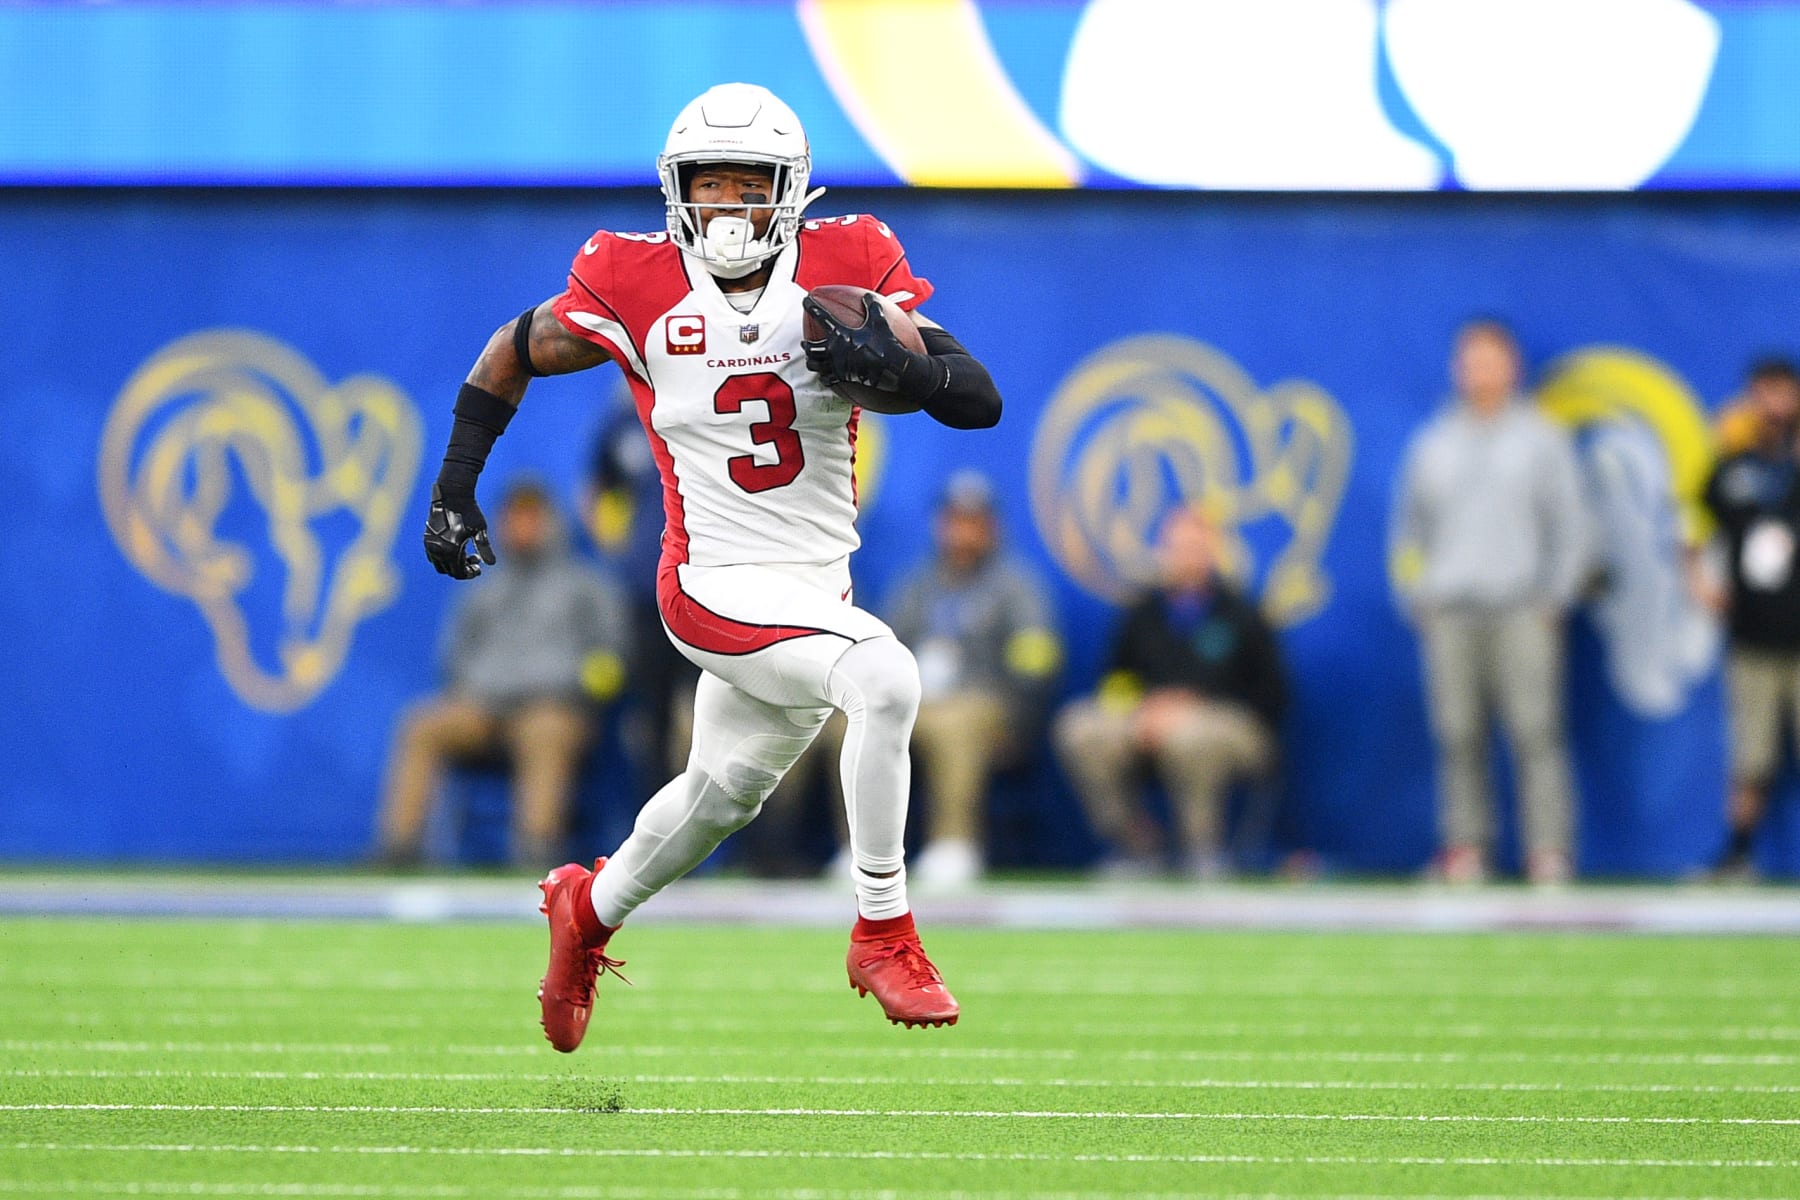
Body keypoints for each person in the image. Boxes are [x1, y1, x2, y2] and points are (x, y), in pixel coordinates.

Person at [419, 83, 1002, 1049]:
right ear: (675, 189)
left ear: (792, 191)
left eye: (749, 184)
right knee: (886, 675)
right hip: (710, 582)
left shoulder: (847, 263)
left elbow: (976, 399)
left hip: (815, 590)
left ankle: (586, 912)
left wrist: (915, 372)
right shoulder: (633, 280)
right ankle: (885, 928)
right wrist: (454, 483)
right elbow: (514, 347)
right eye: (709, 183)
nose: (727, 206)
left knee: (720, 796)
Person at [1390, 318, 1589, 886]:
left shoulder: (1542, 438)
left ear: (1513, 367)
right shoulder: (1434, 441)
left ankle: (1548, 850)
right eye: (1470, 360)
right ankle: (1466, 847)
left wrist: (1556, 595)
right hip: (1451, 611)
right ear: (1458, 369)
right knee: (1457, 734)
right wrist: (1415, 594)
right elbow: (1408, 530)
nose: (1479, 371)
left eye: (1491, 359)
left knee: (1536, 732)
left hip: (1523, 606)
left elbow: (1570, 523)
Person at [373, 478, 630, 869]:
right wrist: (471, 689)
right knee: (422, 725)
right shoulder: (484, 591)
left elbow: (612, 655)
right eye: (514, 518)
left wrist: (581, 690)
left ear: (551, 522)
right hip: (484, 710)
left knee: (545, 731)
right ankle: (399, 849)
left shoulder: (585, 586)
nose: (522, 528)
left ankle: (535, 851)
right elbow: (453, 657)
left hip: (552, 707)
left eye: (531, 518)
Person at [1053, 506, 1284, 879]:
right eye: (1177, 547)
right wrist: (1140, 711)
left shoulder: (1242, 613)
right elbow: (1115, 681)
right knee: (1080, 727)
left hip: (1228, 725)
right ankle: (1135, 844)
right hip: (1147, 719)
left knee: (1189, 737)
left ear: (1213, 551)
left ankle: (1202, 850)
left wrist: (1195, 705)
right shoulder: (1142, 612)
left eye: (1196, 546)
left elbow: (1271, 696)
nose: (1187, 556)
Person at [884, 469, 1062, 885]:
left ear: (991, 528)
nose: (963, 533)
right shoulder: (918, 584)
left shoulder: (1016, 585)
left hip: (988, 707)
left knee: (956, 723)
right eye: (955, 522)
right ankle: (863, 849)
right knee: (853, 725)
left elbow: (1036, 657)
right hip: (919, 703)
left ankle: (954, 843)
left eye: (973, 523)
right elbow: (885, 647)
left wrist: (1019, 712)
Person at [1699, 357, 1800, 879]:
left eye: (1784, 393)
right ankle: (1738, 853)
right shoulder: (1733, 465)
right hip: (1753, 635)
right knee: (1750, 757)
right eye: (1764, 393)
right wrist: (1700, 585)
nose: (1774, 405)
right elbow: (1692, 526)